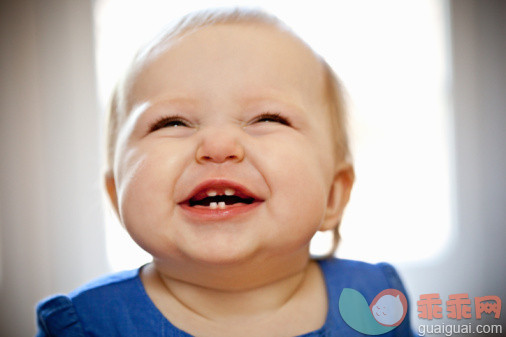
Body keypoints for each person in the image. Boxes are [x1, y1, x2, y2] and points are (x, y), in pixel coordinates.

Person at [36, 7, 415, 337]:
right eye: (172, 123)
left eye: (268, 117)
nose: (217, 146)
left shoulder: (373, 300)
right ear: (117, 194)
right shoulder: (87, 324)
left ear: (333, 195)